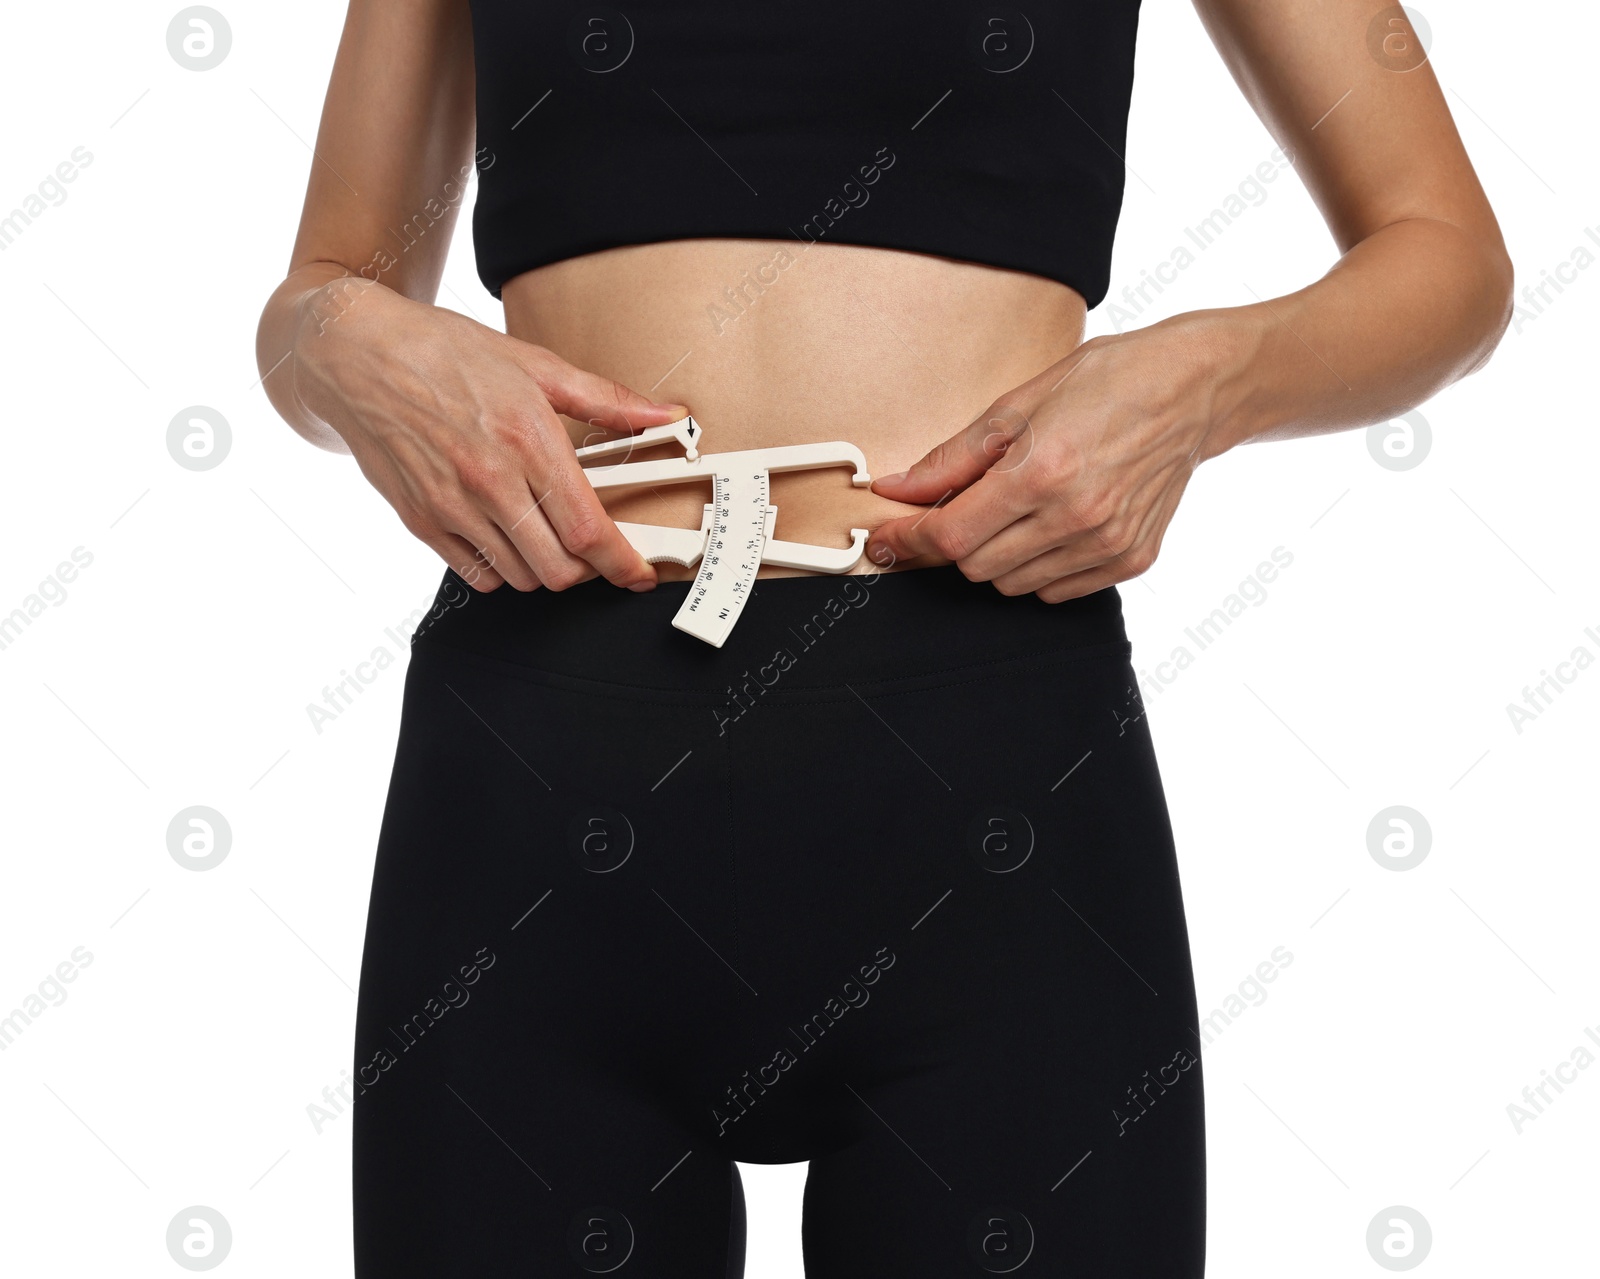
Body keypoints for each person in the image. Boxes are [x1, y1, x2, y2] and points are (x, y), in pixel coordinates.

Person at [255, 2, 1512, 1274]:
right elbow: (326, 281)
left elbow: (1448, 256)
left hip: (994, 785)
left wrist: (1209, 379)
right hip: (534, 788)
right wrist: (343, 343)